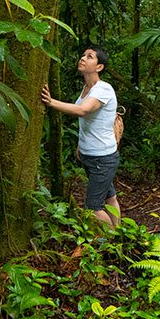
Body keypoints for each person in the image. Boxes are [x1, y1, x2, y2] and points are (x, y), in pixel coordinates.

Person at [40, 47, 121, 228]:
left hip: (103, 158)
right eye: (83, 55)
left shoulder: (103, 89)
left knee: (93, 207)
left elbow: (83, 111)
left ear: (99, 67)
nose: (83, 58)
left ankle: (114, 241)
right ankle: (119, 232)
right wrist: (80, 146)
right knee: (110, 197)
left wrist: (51, 102)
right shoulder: (86, 88)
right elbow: (90, 124)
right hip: (90, 155)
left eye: (89, 57)